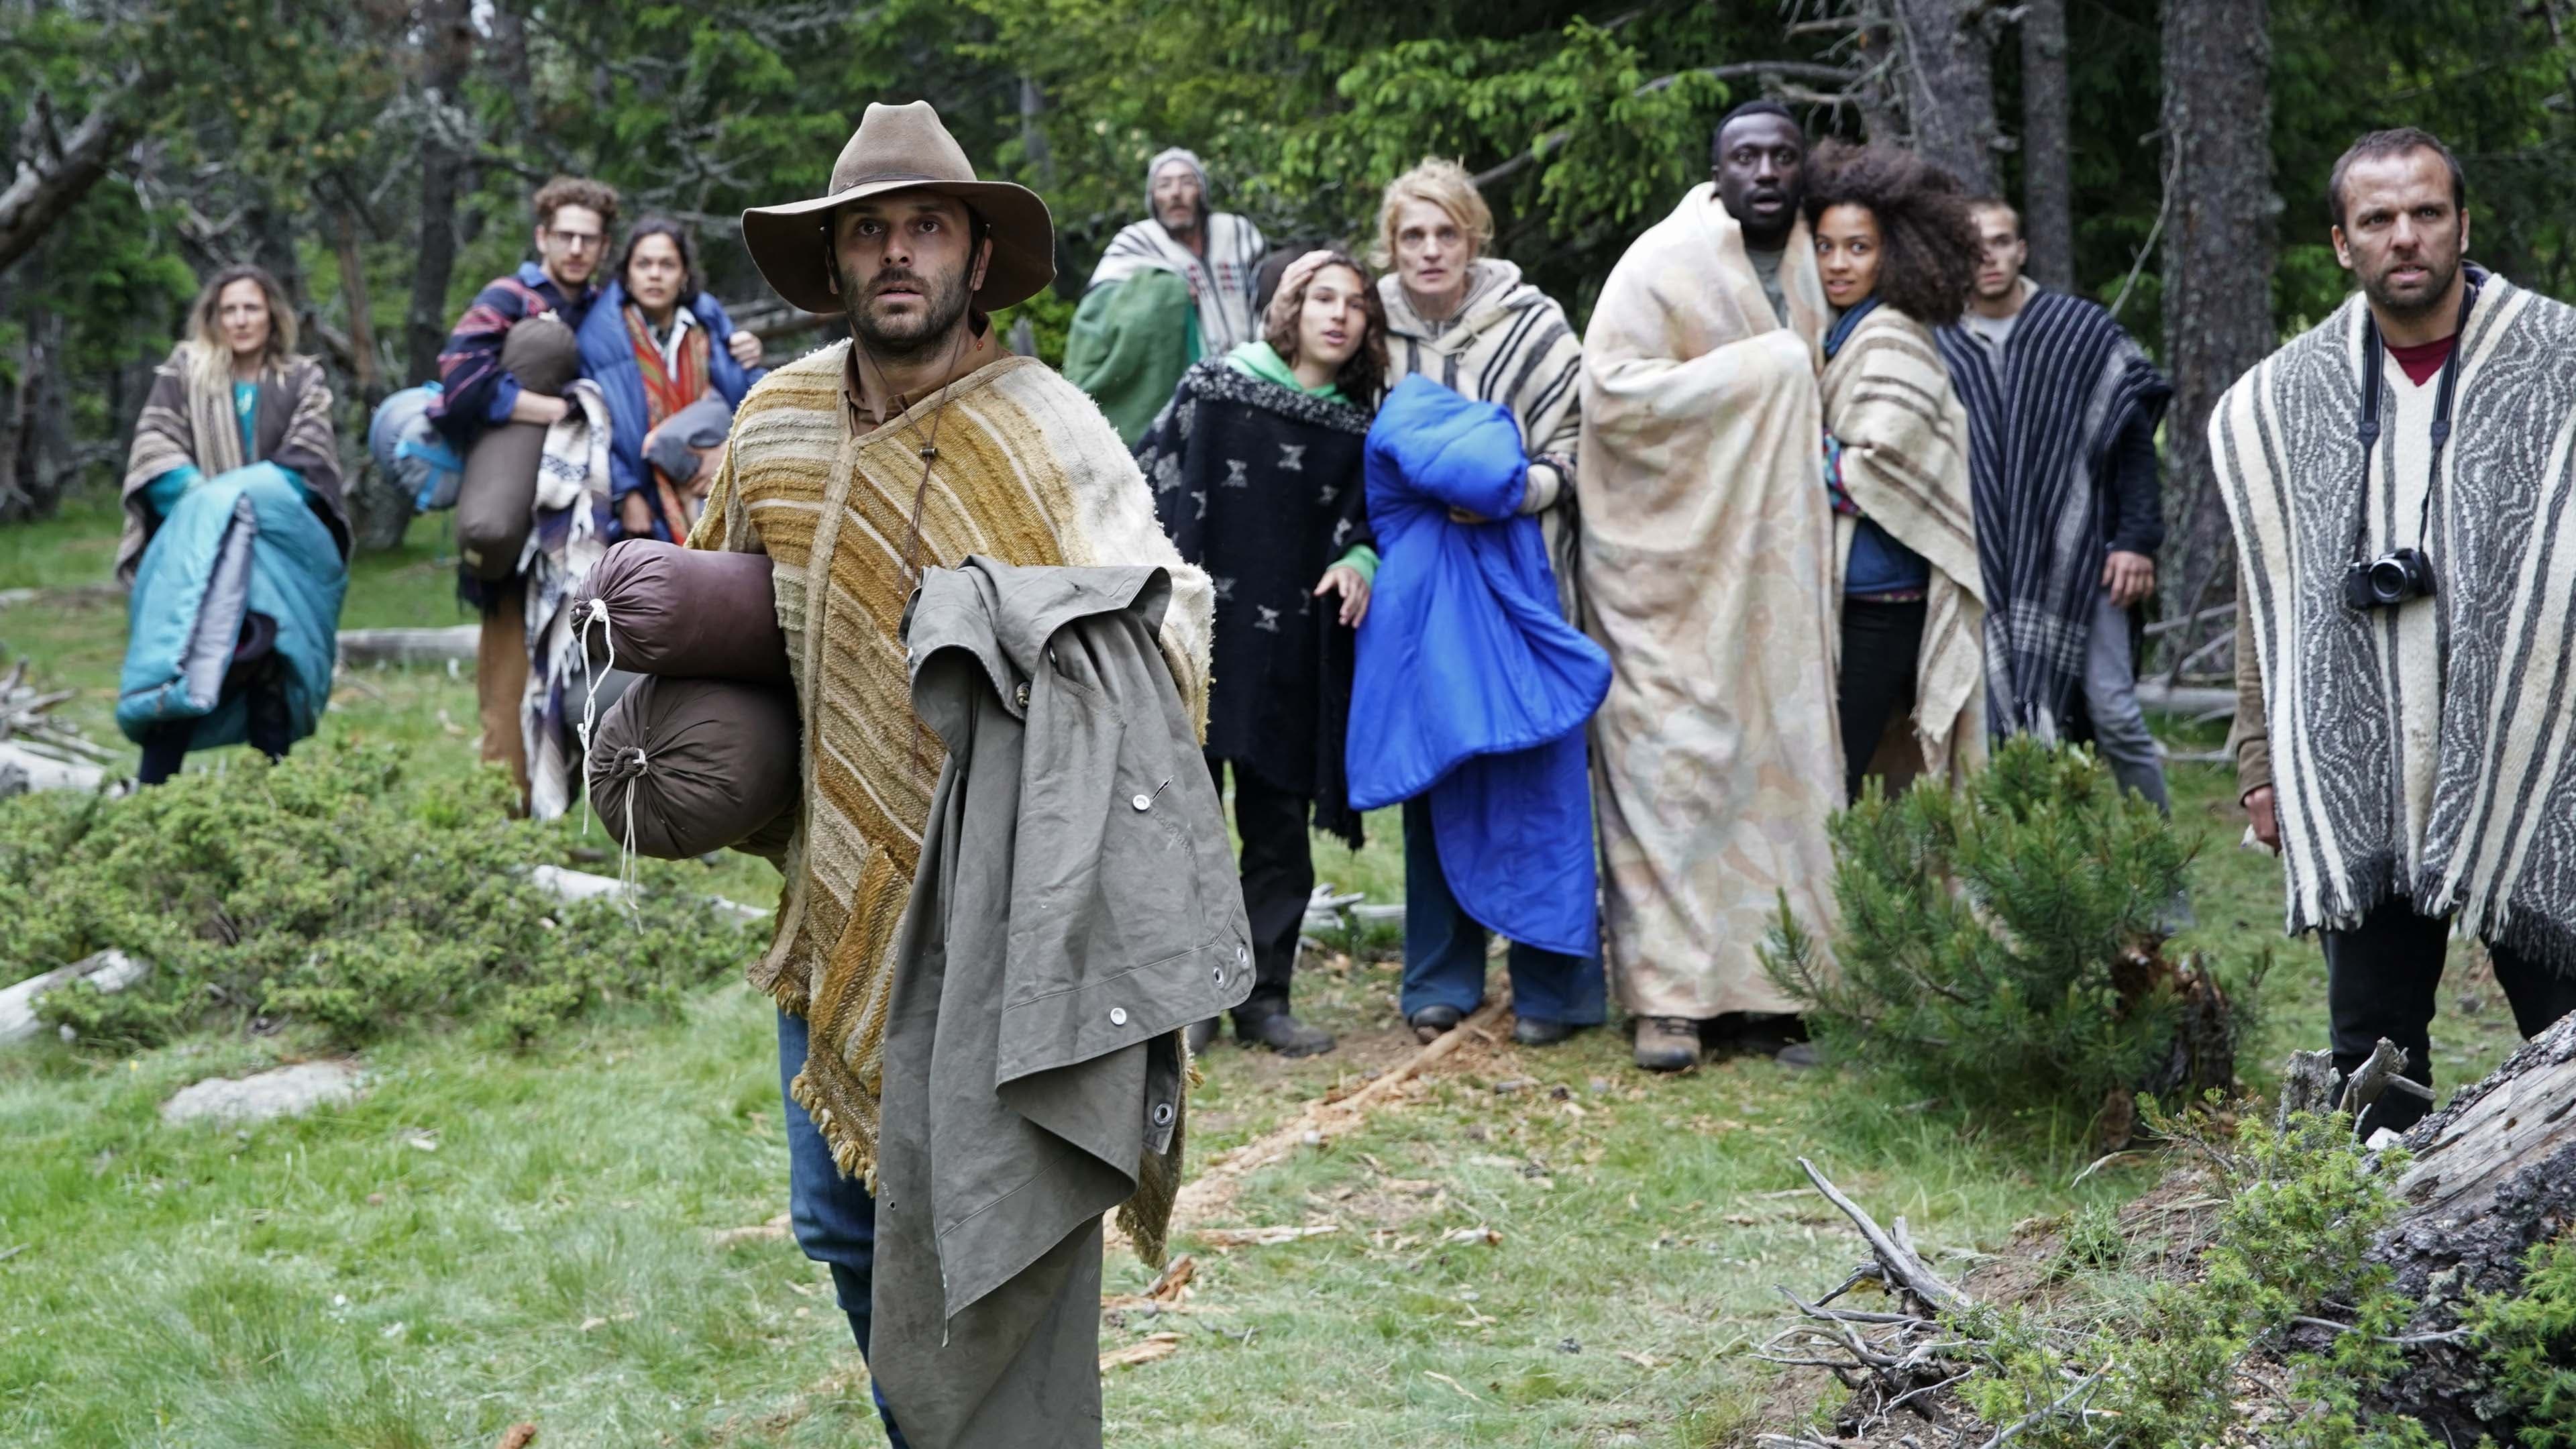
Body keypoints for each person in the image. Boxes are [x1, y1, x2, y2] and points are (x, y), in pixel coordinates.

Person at [704, 101, 1214, 1448]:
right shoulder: (775, 425)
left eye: (926, 227)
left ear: (977, 258)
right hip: (835, 909)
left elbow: (1173, 628)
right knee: (842, 1225)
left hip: (1005, 913)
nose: (896, 253)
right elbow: (722, 616)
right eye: (868, 230)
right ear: (833, 259)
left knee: (997, 1231)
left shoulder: (1047, 432)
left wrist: (1018, 629)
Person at [2215, 126, 2576, 1137]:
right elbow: (2268, 597)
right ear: (2343, 243)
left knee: (2567, 1026)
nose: (2404, 236)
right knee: (2372, 1047)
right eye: (2377, 219)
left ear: (2463, 225)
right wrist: (2259, 763)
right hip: (2359, 749)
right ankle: (2382, 1222)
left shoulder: (2560, 361)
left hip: (2539, 756)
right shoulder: (2284, 400)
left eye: (2426, 212)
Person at [1279, 159, 1607, 1050]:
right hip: (1417, 595)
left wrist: (1521, 490)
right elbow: (1324, 424)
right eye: (1412, 236)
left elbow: (1583, 441)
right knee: (1436, 765)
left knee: (1535, 763)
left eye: (1446, 234)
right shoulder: (1368, 326)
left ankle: (1553, 983)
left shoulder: (1532, 325)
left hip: (1523, 575)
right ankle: (1439, 978)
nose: (1430, 251)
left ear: (1474, 239)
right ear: (1392, 246)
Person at [1577, 101, 1843, 1072]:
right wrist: (1770, 371)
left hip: (1785, 573)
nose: (1766, 171)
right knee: (1672, 773)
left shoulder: (1830, 257)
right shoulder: (1661, 263)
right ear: (1717, 169)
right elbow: (1612, 394)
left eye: (1782, 155)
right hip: (1669, 572)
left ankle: (1783, 989)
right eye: (1746, 156)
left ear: (1802, 168)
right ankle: (1671, 1001)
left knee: (1785, 770)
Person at [1134, 250, 1383, 1059]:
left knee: (1279, 833)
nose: (1339, 315)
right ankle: (1194, 999)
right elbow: (1143, 477)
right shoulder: (1214, 390)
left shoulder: (1359, 429)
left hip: (1293, 650)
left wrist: (1361, 560)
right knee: (1190, 824)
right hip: (1200, 639)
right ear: (1290, 308)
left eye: (1356, 304)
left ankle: (1264, 998)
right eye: (1323, 298)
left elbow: (1373, 523)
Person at [1935, 200, 2175, 808]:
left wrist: (2136, 541)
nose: (1988, 257)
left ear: (2021, 250)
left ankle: (2161, 861)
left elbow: (2132, 441)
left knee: (2115, 714)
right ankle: (2024, 863)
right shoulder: (1940, 343)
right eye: (1973, 247)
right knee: (1990, 728)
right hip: (1980, 567)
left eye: (2000, 241)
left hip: (2085, 557)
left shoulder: (2079, 331)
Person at [116, 264, 350, 782]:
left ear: (272, 315)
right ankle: (150, 799)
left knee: (269, 665)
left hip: (271, 558)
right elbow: (155, 445)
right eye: (230, 310)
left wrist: (240, 501)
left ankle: (273, 803)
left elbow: (310, 458)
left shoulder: (301, 379)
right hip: (198, 558)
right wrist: (208, 505)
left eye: (252, 308)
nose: (241, 320)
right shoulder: (184, 372)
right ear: (214, 318)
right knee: (184, 666)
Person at [1804, 142, 1986, 802]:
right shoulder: (1839, 330)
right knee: (1853, 771)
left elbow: (1876, 470)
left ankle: (1842, 871)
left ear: (1896, 252)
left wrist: (1796, 448)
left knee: (1843, 772)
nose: (1838, 264)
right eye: (1825, 247)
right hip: (1854, 591)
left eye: (1858, 248)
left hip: (1884, 596)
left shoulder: (1891, 336)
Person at [427, 176, 619, 807]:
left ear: (604, 246)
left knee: (578, 667)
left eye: (588, 239)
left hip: (581, 518)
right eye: (564, 235)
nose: (575, 248)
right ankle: (500, 816)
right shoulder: (508, 298)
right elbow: (459, 380)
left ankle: (564, 808)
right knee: (508, 674)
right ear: (542, 237)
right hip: (513, 506)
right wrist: (550, 408)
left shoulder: (606, 309)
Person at [576, 217, 767, 545]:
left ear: (684, 276)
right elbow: (594, 424)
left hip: (718, 481)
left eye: (667, 265)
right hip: (643, 497)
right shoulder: (599, 339)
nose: (655, 274)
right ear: (627, 275)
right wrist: (627, 494)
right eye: (644, 264)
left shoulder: (707, 325)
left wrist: (727, 453)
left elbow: (753, 397)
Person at [1067, 148, 1268, 443]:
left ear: (1202, 191)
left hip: (1255, 377)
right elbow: (1102, 307)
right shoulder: (1136, 242)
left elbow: (1267, 294)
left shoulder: (1238, 232)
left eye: (1187, 182)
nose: (1176, 193)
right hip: (1189, 390)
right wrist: (1166, 292)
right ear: (1153, 197)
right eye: (1164, 185)